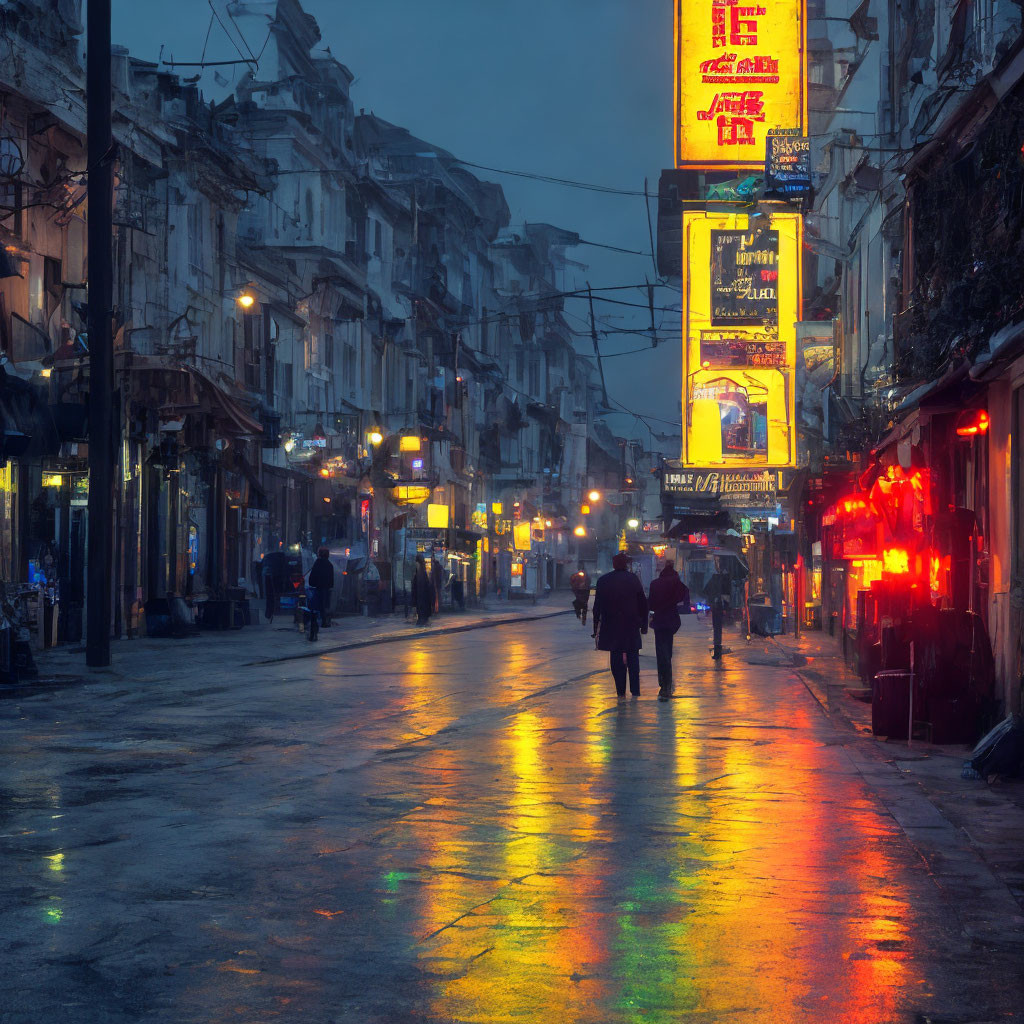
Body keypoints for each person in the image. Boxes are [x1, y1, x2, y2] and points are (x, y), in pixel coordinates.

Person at [592, 552, 649, 699]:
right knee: (633, 658)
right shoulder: (633, 580)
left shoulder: (603, 581)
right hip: (631, 626)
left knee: (616, 658)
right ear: (625, 565)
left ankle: (620, 691)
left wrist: (595, 627)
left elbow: (597, 606)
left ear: (613, 564)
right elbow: (643, 604)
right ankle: (635, 691)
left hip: (611, 626)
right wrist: (644, 625)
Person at [648, 561, 690, 700]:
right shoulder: (676, 583)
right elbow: (684, 593)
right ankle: (667, 683)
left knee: (661, 653)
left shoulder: (655, 584)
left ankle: (664, 684)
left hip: (659, 621)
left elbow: (651, 603)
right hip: (672, 620)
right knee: (668, 651)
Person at [306, 547, 334, 642]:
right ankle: (324, 621)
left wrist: (314, 584)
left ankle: (313, 631)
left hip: (318, 589)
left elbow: (312, 578)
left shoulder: (317, 563)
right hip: (326, 590)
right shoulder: (330, 565)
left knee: (314, 609)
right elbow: (331, 581)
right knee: (324, 607)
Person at [705, 557, 730, 660]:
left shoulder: (717, 577)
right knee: (718, 629)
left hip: (717, 605)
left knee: (717, 629)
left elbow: (707, 589)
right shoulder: (724, 577)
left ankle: (717, 650)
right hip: (719, 605)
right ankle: (717, 650)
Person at [412, 554, 433, 626]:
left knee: (422, 611)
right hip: (423, 598)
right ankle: (423, 620)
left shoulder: (420, 571)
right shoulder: (422, 571)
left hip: (421, 597)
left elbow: (419, 586)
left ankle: (422, 621)